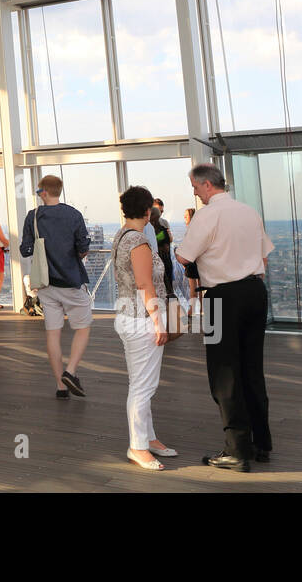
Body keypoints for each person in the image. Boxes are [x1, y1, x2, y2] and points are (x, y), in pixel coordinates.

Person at [174, 163, 274, 472]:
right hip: (256, 293)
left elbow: (183, 256)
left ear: (206, 185)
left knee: (223, 373)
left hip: (220, 300)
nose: (194, 192)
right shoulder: (248, 212)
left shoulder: (207, 214)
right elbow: (264, 256)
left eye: (194, 187)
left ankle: (236, 450)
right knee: (251, 368)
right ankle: (261, 443)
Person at [113, 186, 175, 471]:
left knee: (142, 383)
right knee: (142, 386)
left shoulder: (121, 235)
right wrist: (158, 321)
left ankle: (148, 438)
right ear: (148, 211)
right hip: (142, 319)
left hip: (130, 316)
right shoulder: (138, 241)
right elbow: (144, 284)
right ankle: (137, 447)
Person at [19, 175, 92, 399]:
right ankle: (70, 372)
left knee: (53, 334)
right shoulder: (73, 215)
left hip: (46, 284)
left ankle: (61, 387)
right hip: (71, 280)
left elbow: (25, 250)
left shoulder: (33, 216)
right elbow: (83, 247)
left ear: (43, 192)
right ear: (58, 191)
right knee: (83, 327)